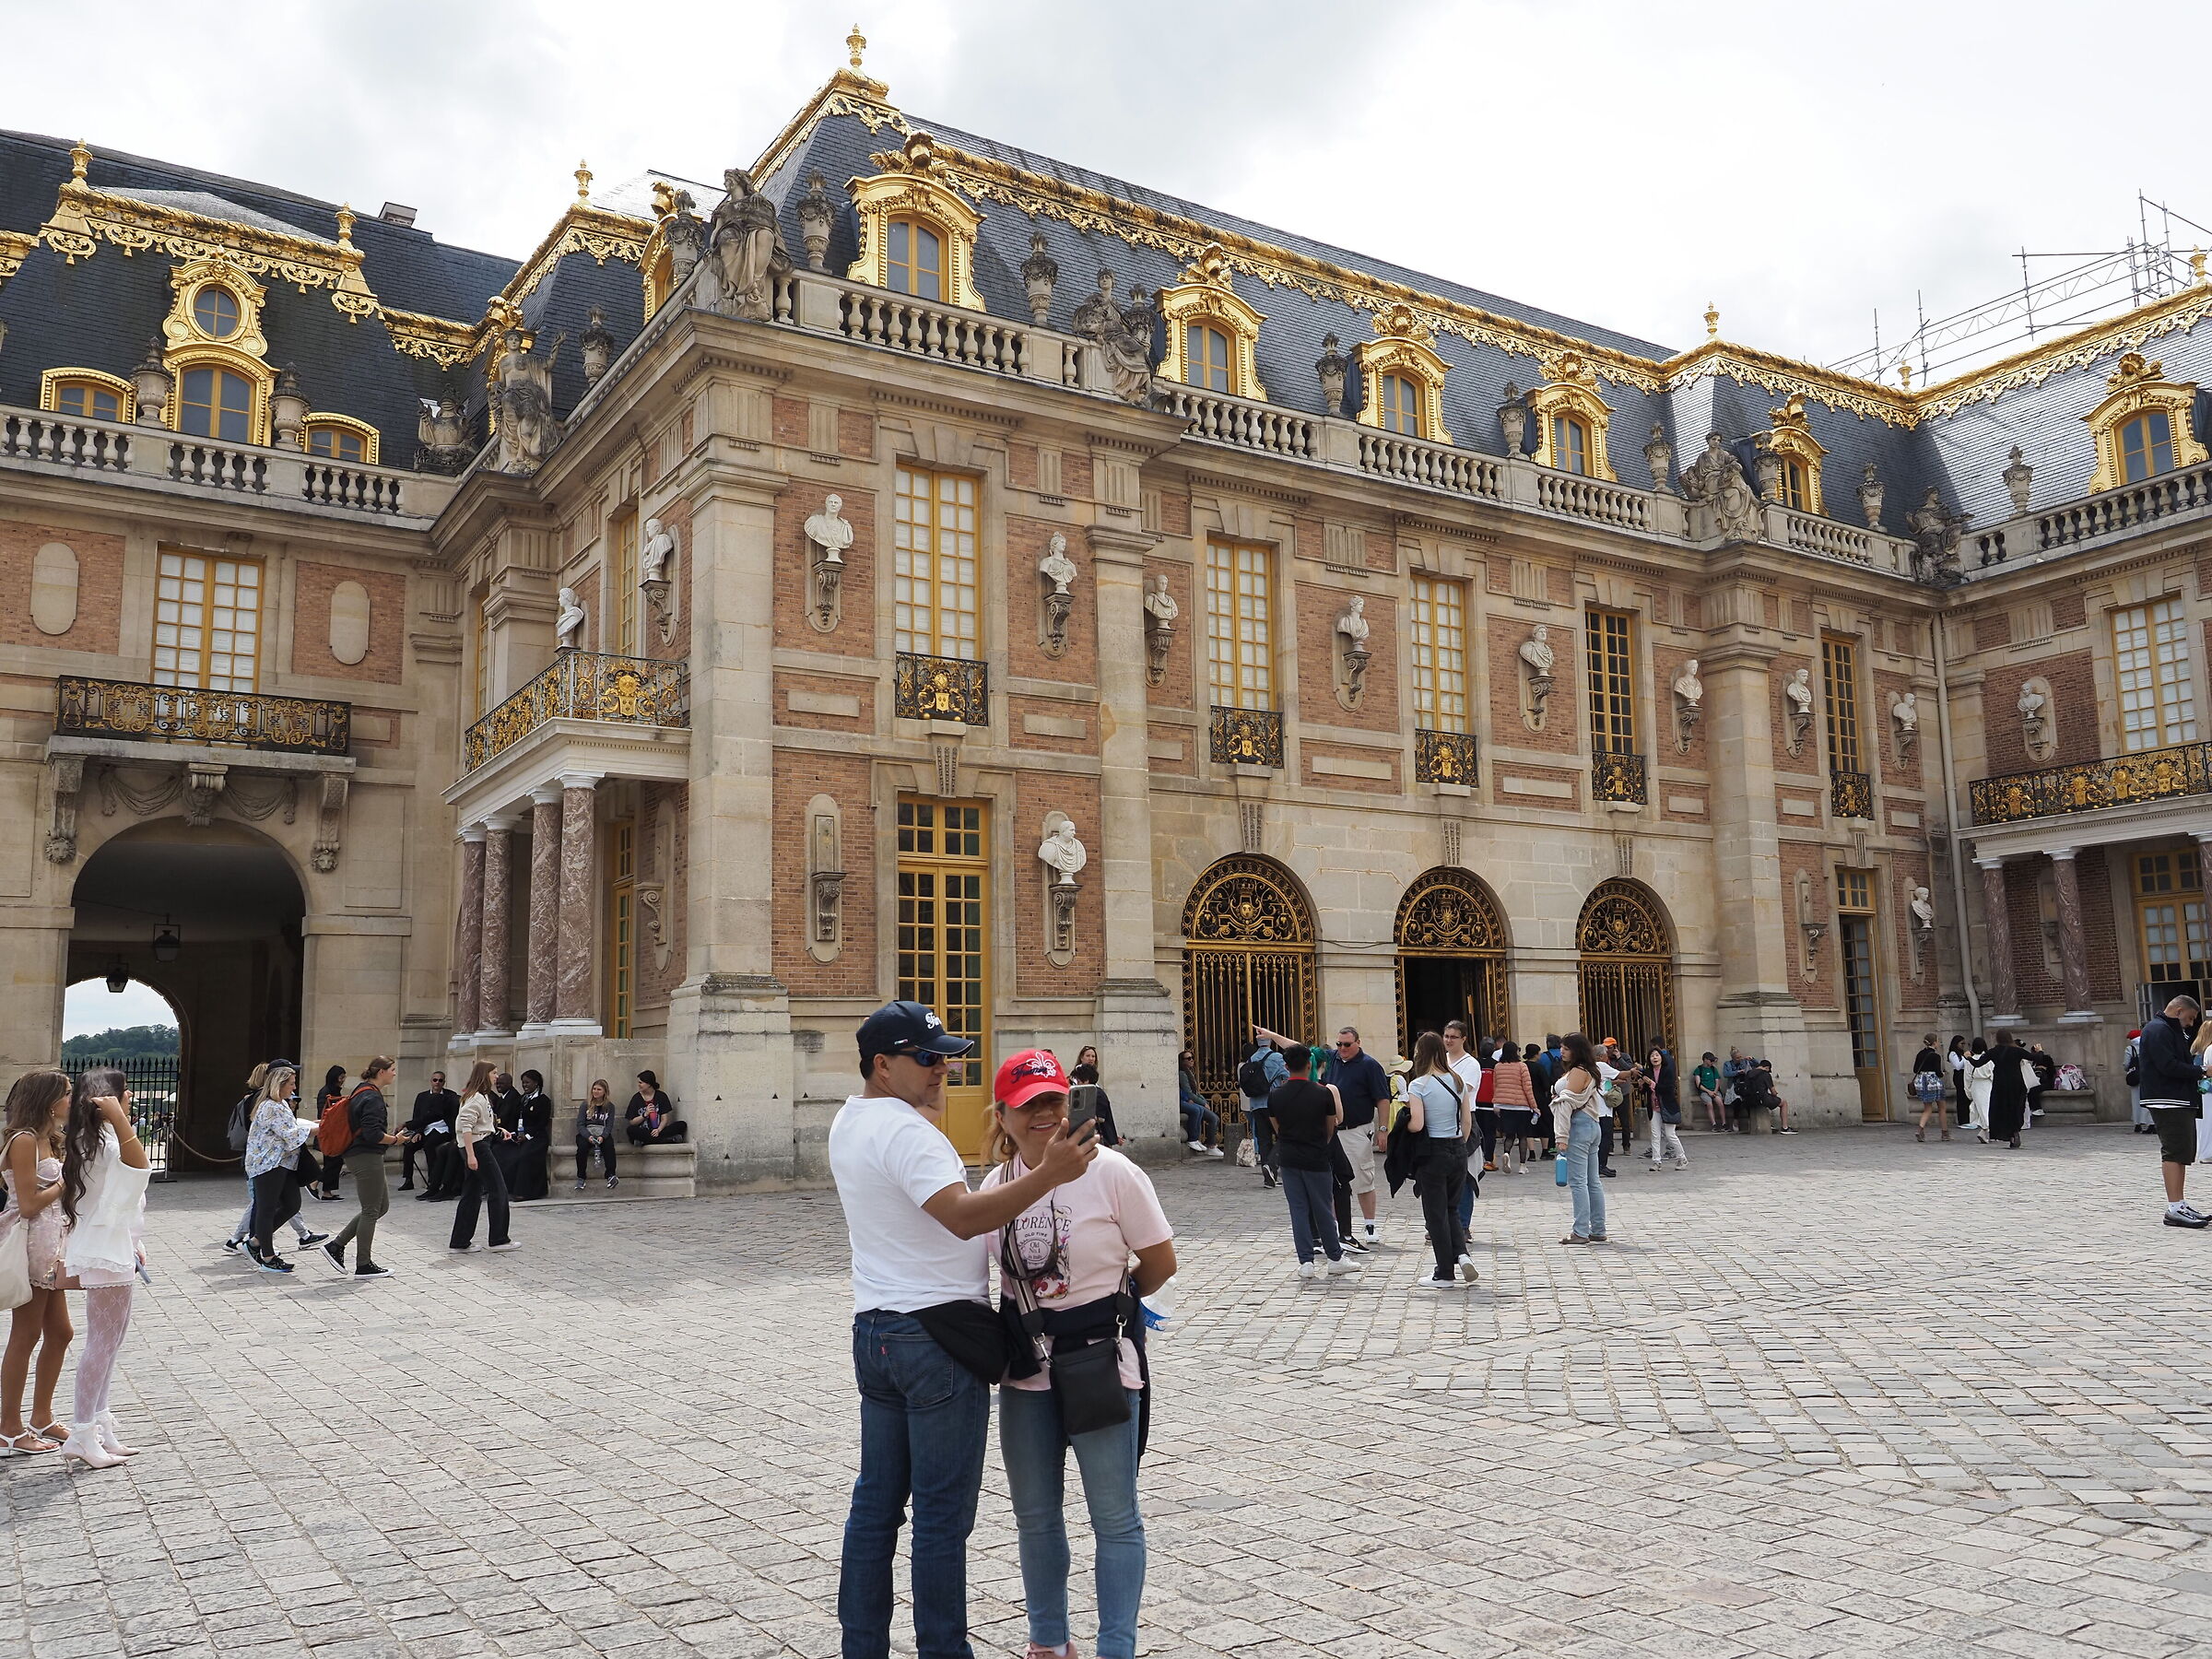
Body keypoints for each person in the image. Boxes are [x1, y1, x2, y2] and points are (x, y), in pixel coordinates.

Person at [830, 1001, 1096, 1659]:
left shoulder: (849, 1119)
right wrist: (1051, 1175)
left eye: (946, 1056)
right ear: (882, 1065)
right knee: (942, 1521)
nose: (944, 1069)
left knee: (875, 1509)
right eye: (928, 1059)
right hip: (936, 1340)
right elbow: (965, 1218)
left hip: (877, 1330)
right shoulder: (910, 1134)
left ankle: (862, 1648)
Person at [983, 1048, 1175, 1659]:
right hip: (1027, 1377)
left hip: (1100, 1367)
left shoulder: (1113, 1173)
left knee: (1115, 1518)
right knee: (1036, 1517)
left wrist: (1110, 1315)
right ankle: (1047, 1640)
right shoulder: (995, 1187)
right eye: (1027, 1103)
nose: (1043, 1112)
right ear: (1003, 1116)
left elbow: (1160, 1261)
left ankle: (1115, 1647)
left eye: (1053, 1099)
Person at [56, 1065, 150, 1469]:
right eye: (125, 1093)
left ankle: (99, 1422)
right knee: (101, 1343)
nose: (129, 1098)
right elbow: (140, 1172)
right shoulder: (100, 1140)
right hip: (105, 1249)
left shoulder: (97, 1138)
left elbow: (122, 1198)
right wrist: (118, 1116)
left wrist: (135, 1241)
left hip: (116, 1244)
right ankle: (81, 1431)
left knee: (111, 1343)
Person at [2, 1069, 73, 1455]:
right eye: (67, 1093)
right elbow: (28, 1204)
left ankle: (41, 1416)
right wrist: (67, 1181)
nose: (72, 1100)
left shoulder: (49, 1139)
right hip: (31, 1244)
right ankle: (9, 1427)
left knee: (60, 1332)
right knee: (25, 1334)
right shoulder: (25, 1140)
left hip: (51, 1243)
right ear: (47, 1100)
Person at [1270, 1045, 1354, 1280]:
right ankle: (1335, 1257)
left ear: (1286, 1067)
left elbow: (1276, 1127)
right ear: (1310, 1064)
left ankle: (1306, 1261)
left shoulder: (1276, 1095)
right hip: (1316, 1156)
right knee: (1323, 1209)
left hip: (1289, 1156)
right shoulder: (1322, 1093)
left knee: (1298, 1210)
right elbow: (1330, 1126)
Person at [322, 1057, 407, 1278]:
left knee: (381, 1206)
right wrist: (396, 1140)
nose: (394, 1074)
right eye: (392, 1070)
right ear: (380, 1072)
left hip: (362, 1154)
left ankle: (336, 1246)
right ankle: (363, 1264)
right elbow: (373, 1134)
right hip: (365, 1155)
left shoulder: (362, 1090)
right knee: (371, 1209)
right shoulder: (372, 1097)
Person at [1402, 1032, 1471, 1288]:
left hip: (1434, 1152)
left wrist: (1404, 1122)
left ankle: (1444, 1273)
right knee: (1451, 1208)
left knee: (1435, 1214)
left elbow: (1417, 1123)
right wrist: (1458, 1144)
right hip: (1457, 1149)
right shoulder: (1458, 1081)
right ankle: (1462, 1255)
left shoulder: (1418, 1085)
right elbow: (1466, 1122)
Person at [2137, 994, 2206, 1228]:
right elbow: (2167, 1065)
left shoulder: (2170, 1030)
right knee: (2174, 1152)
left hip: (2178, 1098)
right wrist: (2202, 1071)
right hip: (2167, 1098)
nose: (2189, 1024)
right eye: (2189, 1018)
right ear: (2178, 1011)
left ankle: (2180, 1203)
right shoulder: (2157, 1030)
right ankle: (2174, 1207)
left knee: (2182, 1153)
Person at [244, 1064, 317, 1275]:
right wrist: (321, 1129)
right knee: (267, 1209)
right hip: (267, 1163)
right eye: (291, 1084)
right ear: (280, 1084)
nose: (294, 1089)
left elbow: (292, 1128)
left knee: (292, 1204)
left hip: (283, 1162)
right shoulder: (270, 1106)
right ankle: (268, 1257)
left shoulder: (282, 1104)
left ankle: (256, 1241)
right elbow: (292, 1135)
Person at [1324, 1027, 1389, 1245]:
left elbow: (1382, 1099)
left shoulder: (1369, 1065)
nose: (1342, 1048)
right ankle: (1335, 1226)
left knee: (1363, 1178)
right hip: (1333, 1130)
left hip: (1357, 1128)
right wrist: (1271, 1036)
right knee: (1334, 1181)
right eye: (1339, 1044)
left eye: (1347, 1045)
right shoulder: (1333, 1059)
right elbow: (1298, 1048)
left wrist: (1383, 1130)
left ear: (1358, 1043)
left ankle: (1369, 1224)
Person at [450, 1060, 517, 1253]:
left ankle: (460, 1241)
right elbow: (466, 1127)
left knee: (471, 1194)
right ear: (484, 1074)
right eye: (494, 1073)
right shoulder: (475, 1098)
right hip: (477, 1148)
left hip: (480, 1144)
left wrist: (498, 1130)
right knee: (498, 1189)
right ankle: (498, 1239)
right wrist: (471, 1155)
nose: (496, 1077)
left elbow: (483, 1123)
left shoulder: (482, 1097)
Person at [1551, 1034, 1608, 1245]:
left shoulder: (1578, 1071)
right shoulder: (1590, 1070)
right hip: (1593, 1124)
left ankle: (1581, 1231)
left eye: (1566, 1048)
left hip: (1579, 1126)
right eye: (1561, 1047)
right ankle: (1598, 1227)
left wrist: (1561, 1136)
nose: (1562, 1051)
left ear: (1577, 1051)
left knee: (1578, 1182)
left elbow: (1567, 1103)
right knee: (1593, 1181)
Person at [1239, 1035, 1288, 1188]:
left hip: (1256, 1104)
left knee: (1264, 1139)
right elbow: (1287, 1077)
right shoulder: (1277, 1057)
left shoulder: (1251, 1059)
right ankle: (1272, 1166)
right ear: (1270, 1042)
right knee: (1285, 1136)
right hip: (1273, 1103)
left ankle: (1268, 1178)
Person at [401, 1069, 458, 1191]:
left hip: (443, 1130)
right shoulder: (422, 1096)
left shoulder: (450, 1096)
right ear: (431, 1081)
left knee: (430, 1146)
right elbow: (418, 1116)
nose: (437, 1083)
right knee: (409, 1146)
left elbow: (445, 1116)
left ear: (444, 1082)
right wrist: (418, 1131)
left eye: (440, 1080)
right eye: (435, 1080)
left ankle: (433, 1180)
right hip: (425, 1129)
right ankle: (408, 1179)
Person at [1490, 1041, 1540, 1172]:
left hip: (1504, 1105)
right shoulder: (1522, 1066)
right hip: (1521, 1105)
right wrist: (1534, 1106)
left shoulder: (1498, 1067)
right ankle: (1522, 1166)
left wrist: (1495, 1102)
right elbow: (1527, 1088)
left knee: (1509, 1135)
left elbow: (1495, 1086)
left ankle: (1506, 1152)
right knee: (1523, 1136)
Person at [508, 1070, 554, 1201]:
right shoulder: (521, 1100)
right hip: (520, 1135)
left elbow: (542, 1123)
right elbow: (514, 1118)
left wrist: (527, 1136)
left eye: (527, 1082)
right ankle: (508, 1189)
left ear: (536, 1083)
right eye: (523, 1083)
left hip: (536, 1136)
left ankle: (527, 1192)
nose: (525, 1085)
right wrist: (513, 1134)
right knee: (507, 1154)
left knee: (525, 1156)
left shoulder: (543, 1101)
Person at [1644, 1041, 1687, 1170]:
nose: (1655, 1058)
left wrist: (1652, 1084)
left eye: (1657, 1055)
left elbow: (1668, 1089)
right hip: (1654, 1107)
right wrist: (1643, 1085)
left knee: (1670, 1134)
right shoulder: (1649, 1072)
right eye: (1652, 1056)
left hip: (1667, 1106)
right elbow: (1646, 1090)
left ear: (1662, 1058)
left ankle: (1682, 1158)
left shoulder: (1667, 1071)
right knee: (1655, 1135)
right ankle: (1656, 1162)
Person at [310, 1064, 349, 1199]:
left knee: (333, 1161)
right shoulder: (325, 1092)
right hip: (328, 1133)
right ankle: (314, 1182)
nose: (342, 1080)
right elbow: (324, 1113)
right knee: (334, 1161)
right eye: (341, 1077)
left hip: (335, 1132)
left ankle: (327, 1192)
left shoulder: (335, 1090)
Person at [1066, 1054, 1122, 1148]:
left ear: (1086, 1081)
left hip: (1101, 1140)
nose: (1078, 1084)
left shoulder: (1098, 1094)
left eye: (1079, 1081)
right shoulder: (1087, 1093)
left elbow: (1100, 1118)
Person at [1988, 1034, 2033, 1149]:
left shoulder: (1994, 1051)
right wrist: (2040, 1051)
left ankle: (2007, 1133)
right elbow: (2036, 1058)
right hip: (2016, 1083)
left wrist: (1968, 1057)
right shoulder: (2017, 1051)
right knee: (2017, 1107)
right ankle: (2015, 1130)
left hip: (2001, 1084)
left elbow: (1977, 1063)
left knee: (2002, 1109)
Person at [1175, 1049, 1223, 1157]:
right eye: (1188, 1058)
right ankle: (1204, 1142)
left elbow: (1195, 1092)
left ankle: (1207, 1143)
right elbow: (1189, 1093)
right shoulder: (1182, 1073)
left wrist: (1203, 1101)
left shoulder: (1189, 1072)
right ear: (1182, 1061)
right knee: (1205, 1114)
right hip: (1185, 1100)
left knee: (1213, 1117)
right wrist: (1202, 1102)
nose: (1192, 1060)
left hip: (1191, 1100)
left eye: (1192, 1057)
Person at [575, 1079, 618, 1190]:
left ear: (605, 1091)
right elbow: (580, 1124)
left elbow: (609, 1125)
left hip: (602, 1132)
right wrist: (588, 1136)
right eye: (594, 1089)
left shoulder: (610, 1106)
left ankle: (611, 1175)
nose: (596, 1091)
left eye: (599, 1089)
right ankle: (581, 1177)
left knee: (609, 1146)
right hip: (587, 1133)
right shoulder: (585, 1105)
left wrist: (603, 1136)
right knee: (582, 1148)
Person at [625, 1072, 687, 1145]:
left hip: (659, 1130)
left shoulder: (661, 1096)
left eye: (641, 1083)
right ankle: (667, 1140)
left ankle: (646, 1142)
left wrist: (658, 1130)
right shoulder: (636, 1098)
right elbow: (632, 1122)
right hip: (644, 1131)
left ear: (649, 1084)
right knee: (631, 1130)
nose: (639, 1085)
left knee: (682, 1125)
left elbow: (664, 1119)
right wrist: (645, 1114)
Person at [1912, 1035, 1950, 1142]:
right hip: (1934, 1083)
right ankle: (1945, 1133)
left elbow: (1915, 1069)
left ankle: (1920, 1129)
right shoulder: (1936, 1056)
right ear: (1934, 1043)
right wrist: (1942, 1074)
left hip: (1922, 1083)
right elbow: (1938, 1072)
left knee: (1927, 1108)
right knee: (1942, 1107)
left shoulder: (1920, 1054)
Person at [1965, 1040, 1994, 1143]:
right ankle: (1987, 1130)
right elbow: (1993, 1074)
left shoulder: (1969, 1060)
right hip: (1987, 1084)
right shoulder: (1989, 1060)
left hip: (1976, 1085)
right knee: (1988, 1108)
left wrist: (1968, 1092)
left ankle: (1986, 1130)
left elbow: (1967, 1077)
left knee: (1981, 1109)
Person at [1692, 1053, 1724, 1132]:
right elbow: (1698, 1084)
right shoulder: (1699, 1069)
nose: (1712, 1062)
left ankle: (1724, 1123)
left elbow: (1717, 1081)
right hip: (1704, 1091)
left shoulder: (1713, 1069)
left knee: (1720, 1102)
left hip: (1714, 1091)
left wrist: (1715, 1091)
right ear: (1705, 1059)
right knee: (1709, 1104)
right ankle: (1714, 1124)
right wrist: (1708, 1091)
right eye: (1711, 1060)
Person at [2026, 1042, 2057, 1120]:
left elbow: (2052, 1071)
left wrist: (2044, 1068)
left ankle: (2038, 1109)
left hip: (2047, 1082)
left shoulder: (2046, 1058)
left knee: (2033, 1090)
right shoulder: (2034, 1062)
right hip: (2037, 1082)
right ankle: (2031, 1108)